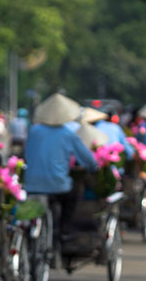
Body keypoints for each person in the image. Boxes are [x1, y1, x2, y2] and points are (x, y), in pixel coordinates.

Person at [24, 93, 99, 249]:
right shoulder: (68, 134)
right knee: (74, 192)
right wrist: (93, 168)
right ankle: (65, 229)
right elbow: (89, 161)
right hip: (58, 186)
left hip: (31, 185)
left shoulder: (33, 131)